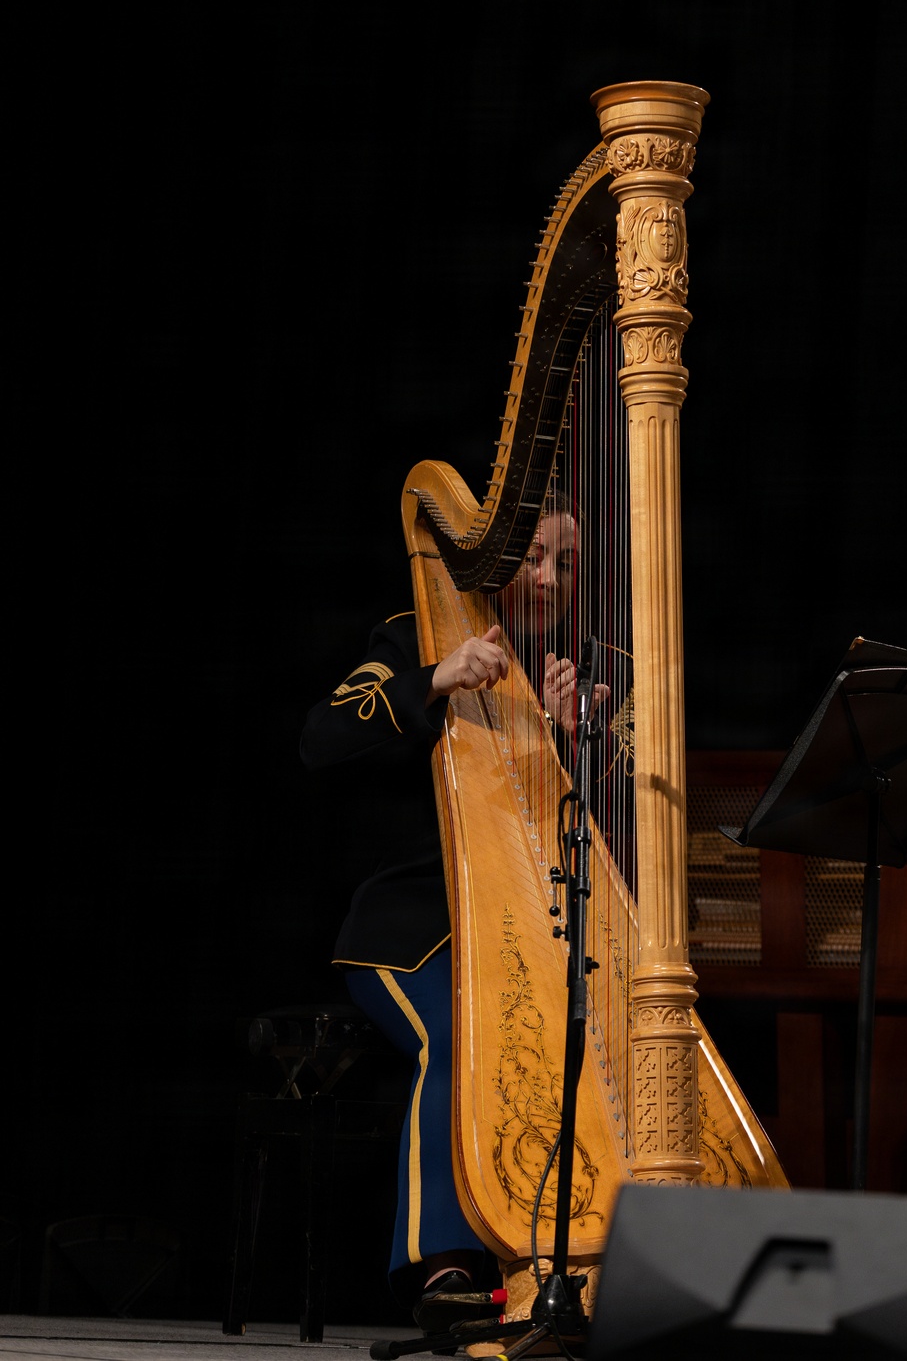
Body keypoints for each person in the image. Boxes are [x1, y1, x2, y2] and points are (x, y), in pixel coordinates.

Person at [299, 504, 607, 1336]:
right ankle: (447, 1271)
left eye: (567, 565)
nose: (548, 578)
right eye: (534, 556)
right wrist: (436, 677)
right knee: (464, 1040)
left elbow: (579, 840)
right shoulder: (415, 634)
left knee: (585, 1046)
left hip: (525, 933)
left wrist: (573, 744)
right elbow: (319, 739)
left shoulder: (575, 669)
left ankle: (560, 1263)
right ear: (496, 561)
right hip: (410, 931)